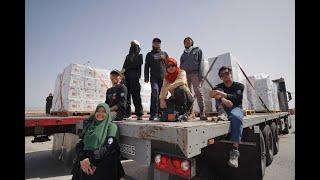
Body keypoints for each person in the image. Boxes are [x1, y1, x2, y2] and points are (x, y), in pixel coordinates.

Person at [71, 103, 125, 180]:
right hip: (86, 160)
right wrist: (82, 158)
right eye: (98, 111)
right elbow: (80, 144)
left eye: (103, 111)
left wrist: (90, 160)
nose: (100, 114)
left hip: (102, 162)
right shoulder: (90, 126)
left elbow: (108, 147)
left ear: (107, 114)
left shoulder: (111, 127)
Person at [209, 66, 244, 168]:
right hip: (223, 107)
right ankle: (222, 113)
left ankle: (235, 152)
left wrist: (220, 94)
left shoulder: (239, 86)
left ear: (230, 73)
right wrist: (223, 99)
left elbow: (236, 99)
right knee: (217, 91)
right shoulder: (219, 86)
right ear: (220, 77)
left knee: (236, 118)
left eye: (226, 73)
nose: (225, 76)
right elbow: (211, 93)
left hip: (236, 107)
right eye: (222, 75)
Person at [180, 37, 207, 120]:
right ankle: (190, 113)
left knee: (198, 92)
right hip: (185, 75)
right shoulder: (183, 54)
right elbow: (181, 65)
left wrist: (201, 74)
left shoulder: (197, 50)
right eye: (185, 41)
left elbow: (201, 62)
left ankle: (202, 112)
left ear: (192, 42)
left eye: (188, 40)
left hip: (195, 73)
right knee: (187, 93)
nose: (187, 42)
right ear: (184, 44)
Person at [144, 37, 169, 120]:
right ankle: (153, 114)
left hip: (164, 78)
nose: (157, 43)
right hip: (154, 77)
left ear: (160, 44)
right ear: (152, 44)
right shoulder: (149, 54)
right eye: (155, 42)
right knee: (155, 92)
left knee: (162, 95)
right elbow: (146, 66)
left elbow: (170, 64)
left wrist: (164, 59)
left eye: (158, 42)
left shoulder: (164, 53)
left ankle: (161, 113)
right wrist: (146, 76)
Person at [121, 40, 144, 120]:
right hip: (127, 79)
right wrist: (122, 74)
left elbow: (136, 64)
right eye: (131, 45)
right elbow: (123, 67)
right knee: (127, 97)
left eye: (134, 45)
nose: (132, 46)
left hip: (135, 79)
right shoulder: (127, 56)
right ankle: (128, 114)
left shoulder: (140, 55)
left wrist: (127, 67)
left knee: (136, 97)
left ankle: (139, 114)